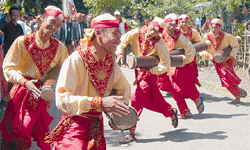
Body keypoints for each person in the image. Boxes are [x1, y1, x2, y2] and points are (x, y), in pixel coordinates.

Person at [44, 13, 131, 150]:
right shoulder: (76, 60)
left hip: (96, 128)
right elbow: (62, 100)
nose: (119, 41)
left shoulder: (110, 63)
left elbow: (124, 91)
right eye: (115, 34)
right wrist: (100, 102)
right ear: (98, 33)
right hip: (74, 128)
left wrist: (117, 115)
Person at [0, 5, 68, 150]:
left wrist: (51, 82)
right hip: (21, 93)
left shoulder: (60, 47)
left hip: (41, 95)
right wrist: (25, 82)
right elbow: (8, 67)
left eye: (57, 25)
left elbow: (63, 70)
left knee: (42, 136)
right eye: (52, 22)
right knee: (17, 132)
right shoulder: (22, 41)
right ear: (43, 19)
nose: (54, 27)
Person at [116, 17, 178, 144]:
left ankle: (130, 130)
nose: (152, 33)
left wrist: (152, 70)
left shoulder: (159, 44)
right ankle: (170, 111)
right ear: (148, 24)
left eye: (156, 31)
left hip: (149, 74)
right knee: (152, 99)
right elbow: (122, 41)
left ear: (159, 32)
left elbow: (165, 63)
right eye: (152, 28)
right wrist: (119, 53)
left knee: (137, 99)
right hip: (138, 72)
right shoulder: (136, 33)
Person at [157, 13, 204, 118]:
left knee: (185, 87)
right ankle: (185, 111)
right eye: (170, 24)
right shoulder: (161, 36)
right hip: (169, 66)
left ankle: (196, 98)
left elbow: (190, 49)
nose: (172, 27)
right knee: (173, 90)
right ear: (165, 24)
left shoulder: (180, 36)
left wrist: (184, 60)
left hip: (182, 65)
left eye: (174, 24)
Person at [199, 18, 246, 104]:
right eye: (212, 27)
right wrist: (207, 54)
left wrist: (230, 56)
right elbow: (202, 49)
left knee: (227, 78)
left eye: (216, 27)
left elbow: (235, 45)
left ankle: (237, 95)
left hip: (227, 61)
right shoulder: (207, 36)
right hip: (216, 62)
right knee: (225, 79)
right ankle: (237, 90)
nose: (214, 29)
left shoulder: (227, 36)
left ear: (220, 27)